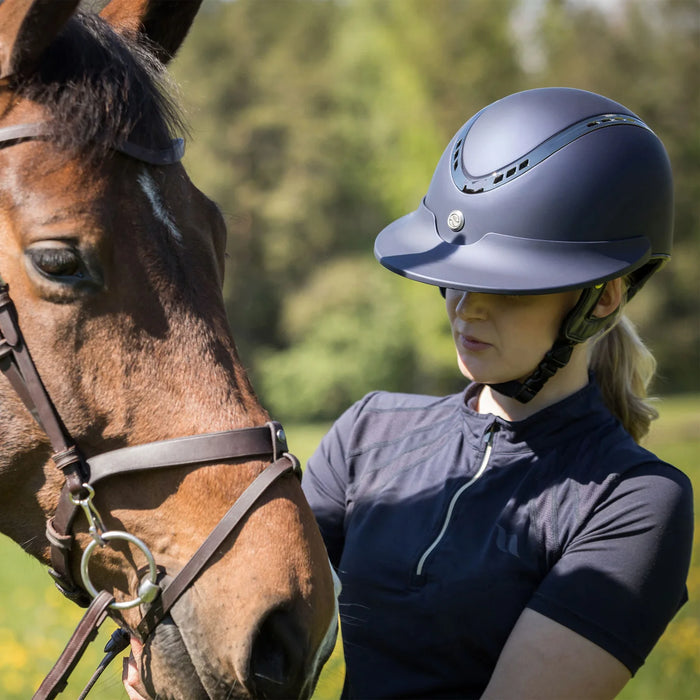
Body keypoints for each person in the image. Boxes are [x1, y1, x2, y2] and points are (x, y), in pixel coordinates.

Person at [301, 87, 694, 699]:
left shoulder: (635, 502)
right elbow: (260, 626)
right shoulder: (367, 431)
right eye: (454, 277)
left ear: (602, 298)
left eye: (505, 285)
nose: (465, 307)